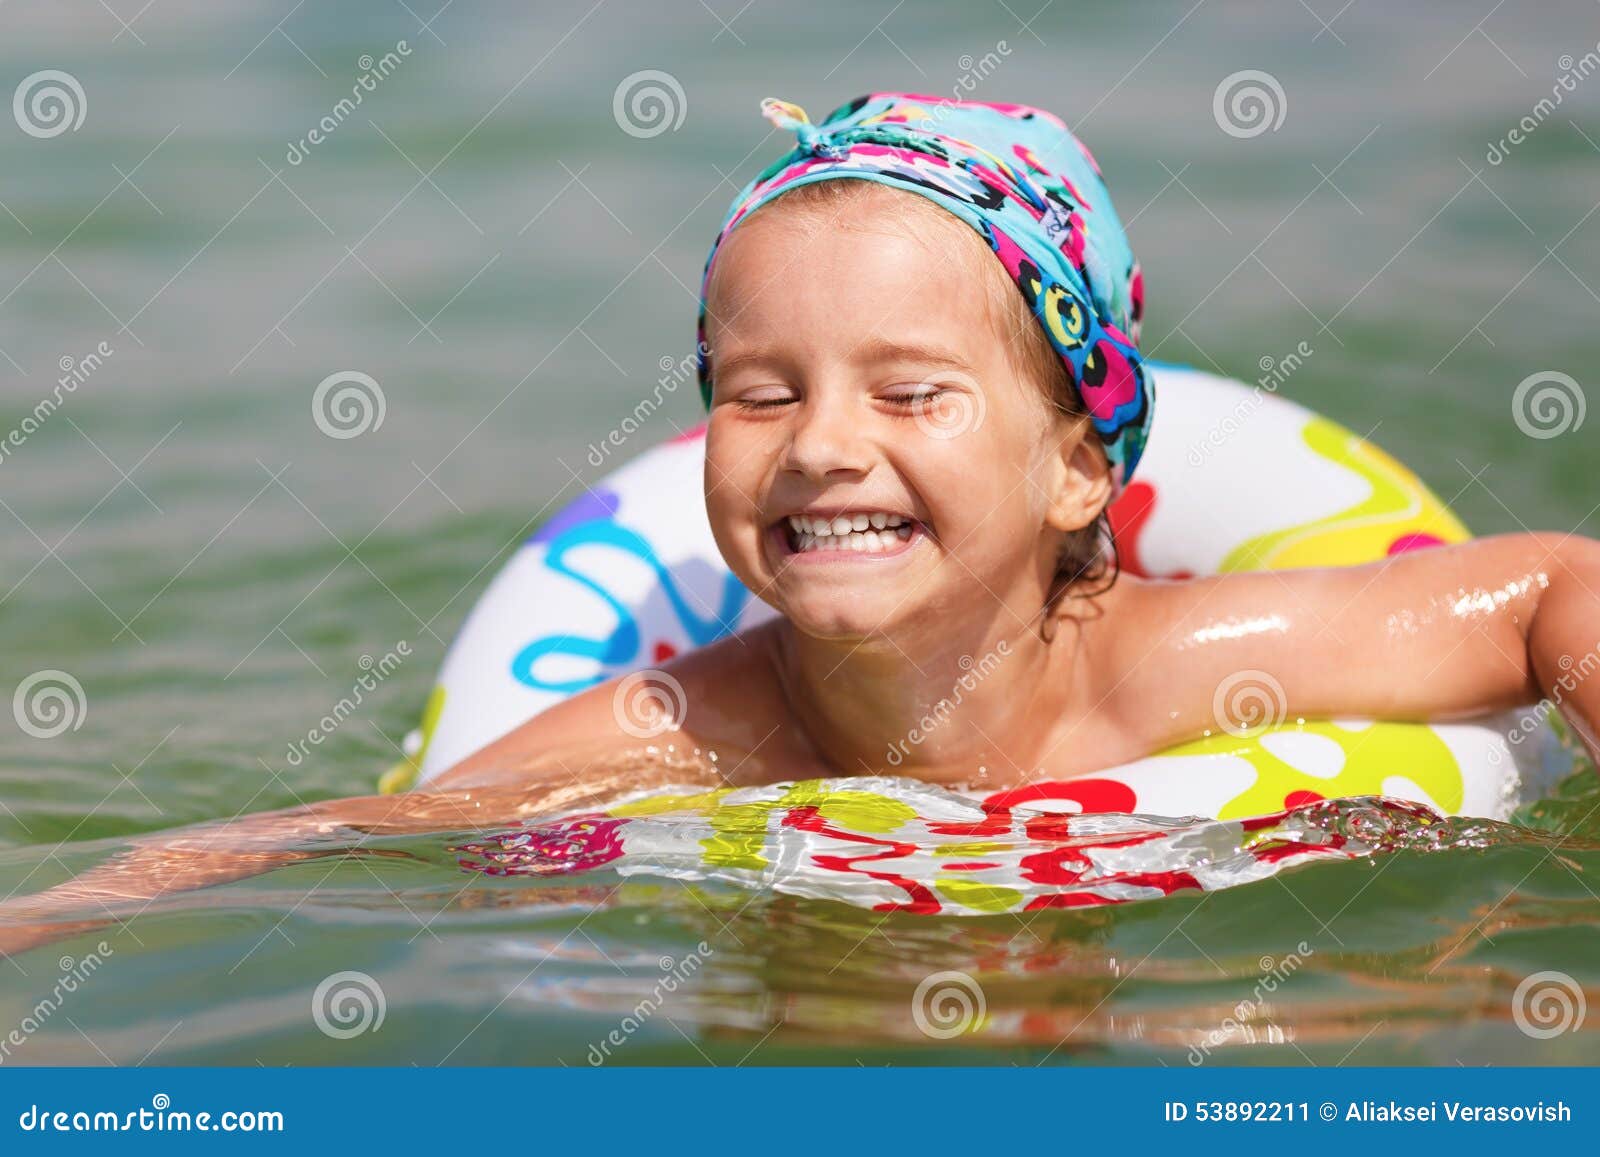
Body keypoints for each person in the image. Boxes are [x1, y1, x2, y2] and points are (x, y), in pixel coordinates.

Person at [3, 92, 1597, 958]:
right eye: (760, 393)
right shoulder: (696, 728)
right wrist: (62, 911)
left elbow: (1551, 592)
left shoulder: (1185, 668)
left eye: (911, 395)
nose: (824, 446)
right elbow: (352, 837)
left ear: (1079, 469)